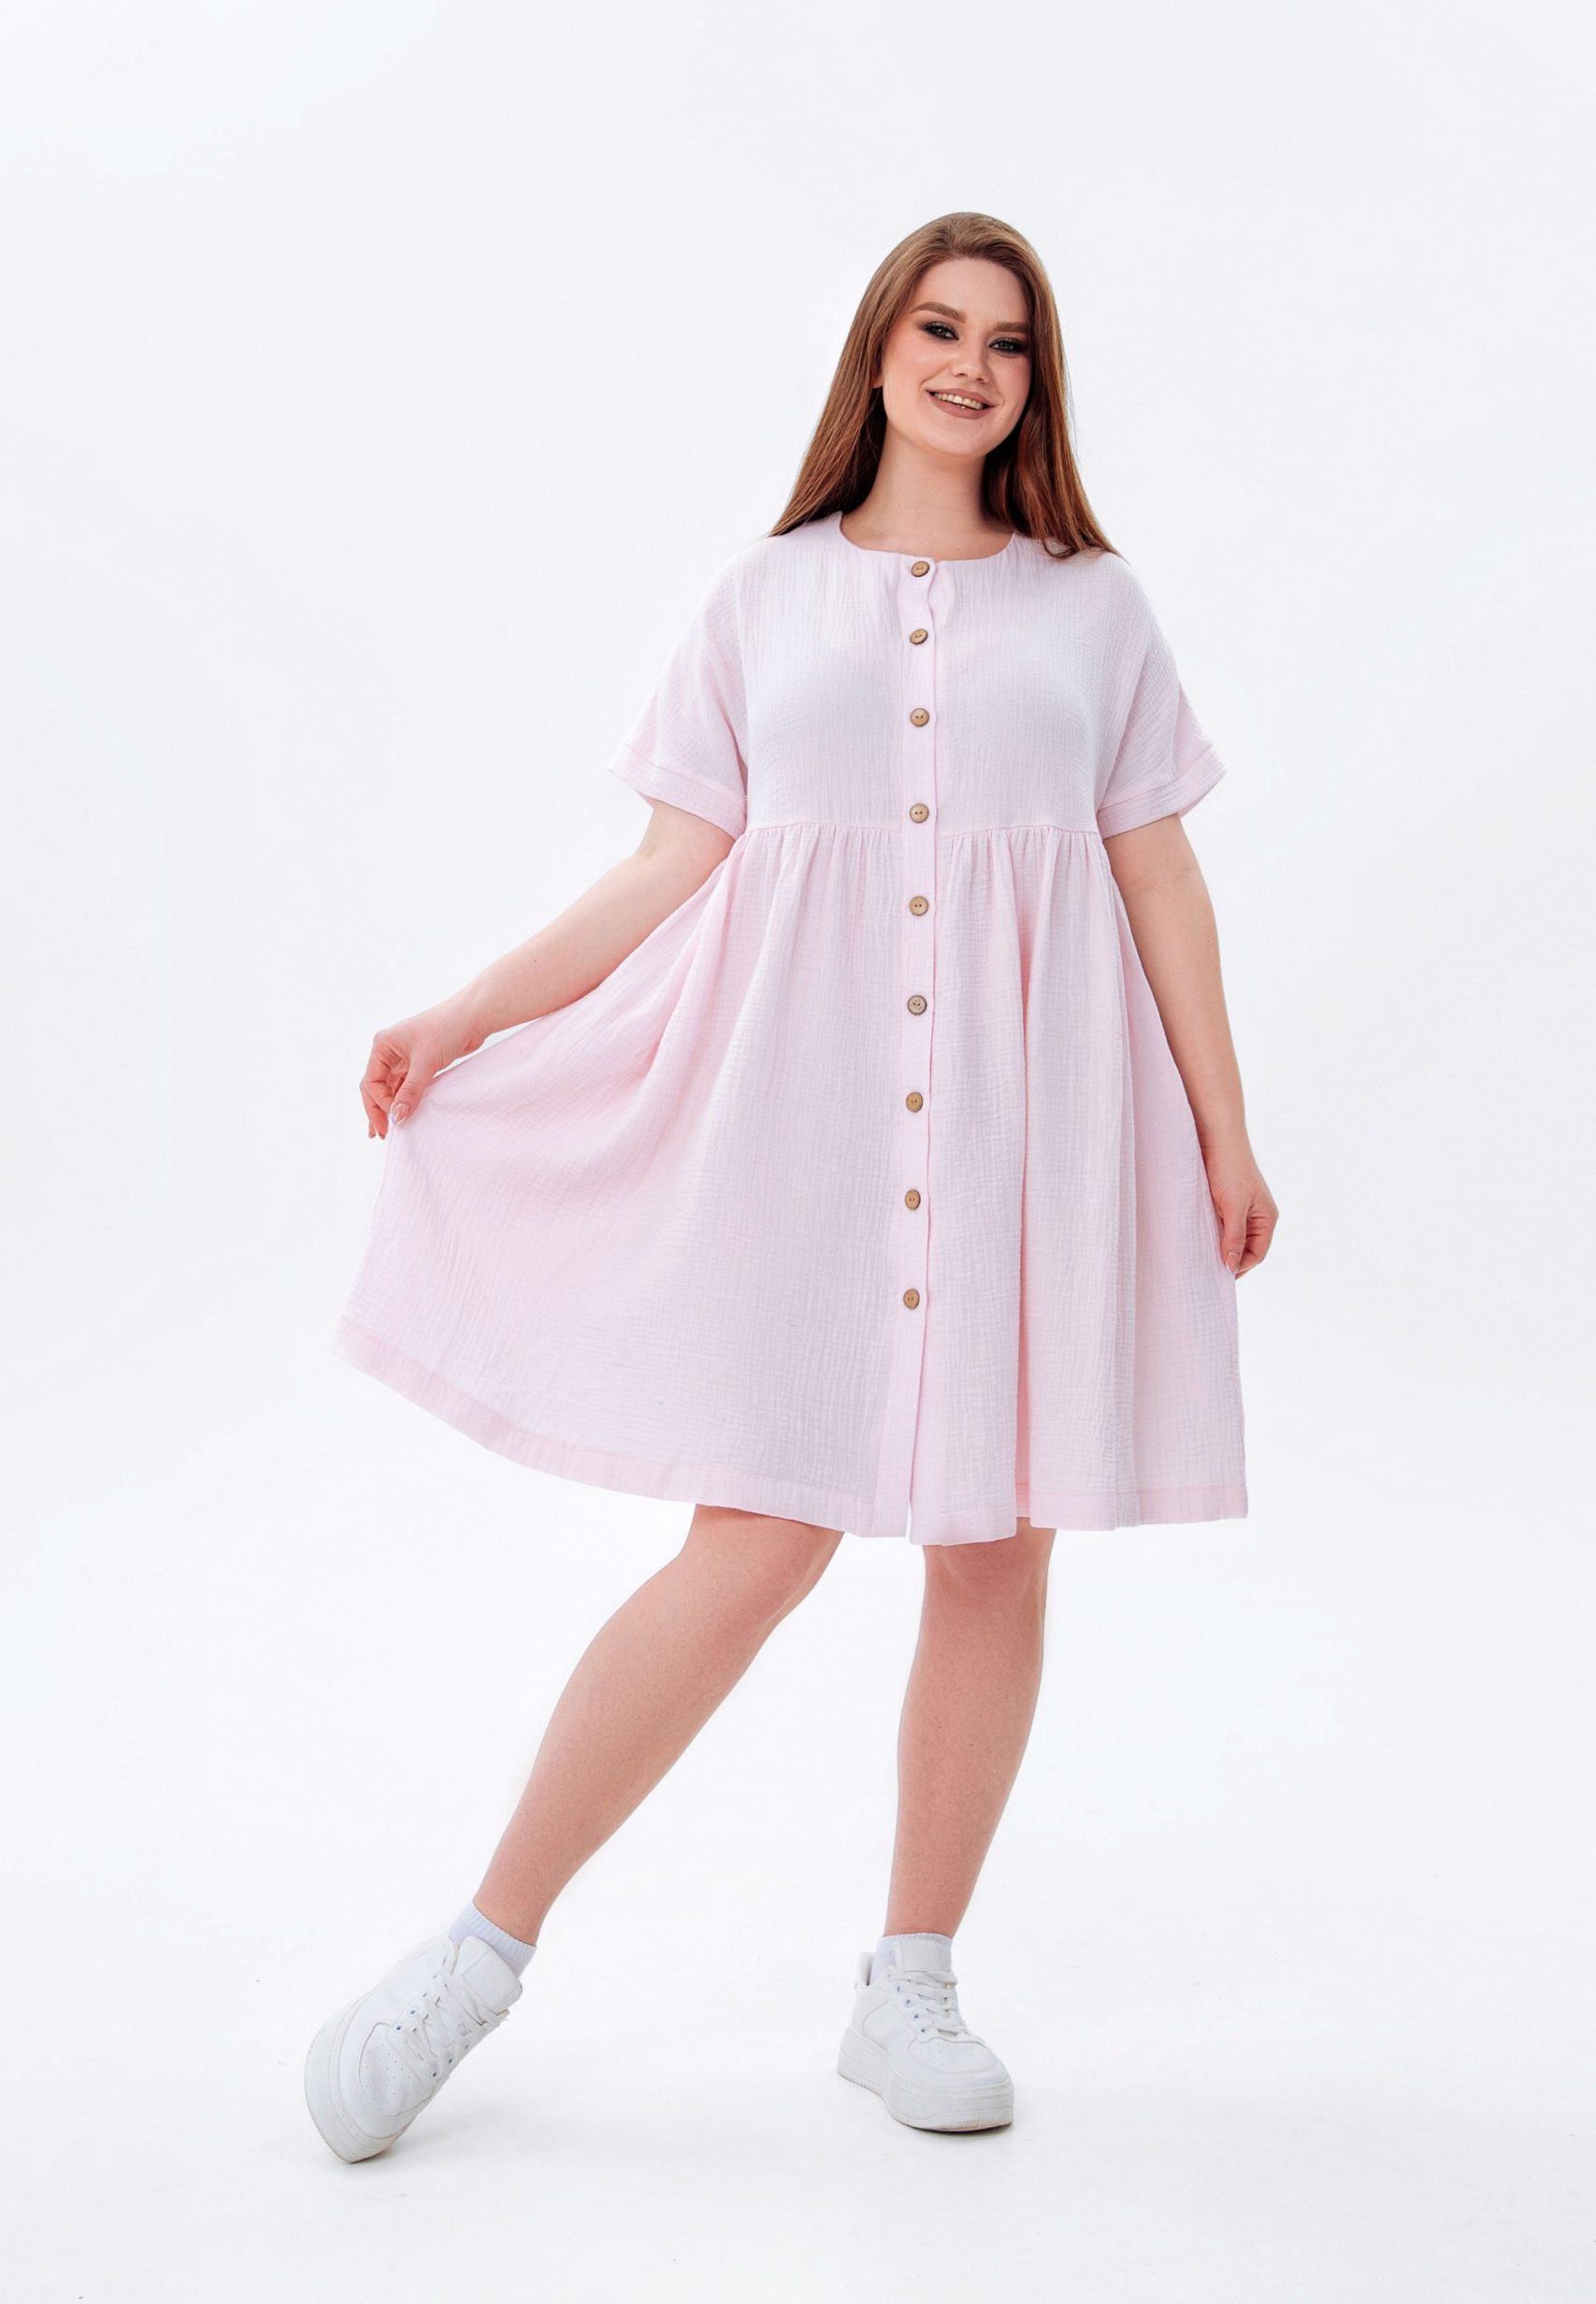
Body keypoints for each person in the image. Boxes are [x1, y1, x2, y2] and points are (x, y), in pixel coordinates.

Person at [303, 209, 1279, 2163]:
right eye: (939, 326)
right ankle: (479, 1953)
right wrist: (470, 1009)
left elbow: (1157, 871)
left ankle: (908, 1981)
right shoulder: (764, 596)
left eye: (1007, 341)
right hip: (802, 1132)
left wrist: (1222, 1126)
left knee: (994, 1545)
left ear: (1034, 382)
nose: (970, 365)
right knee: (752, 1538)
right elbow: (669, 864)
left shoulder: (1094, 608)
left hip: (1019, 1131)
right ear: (877, 353)